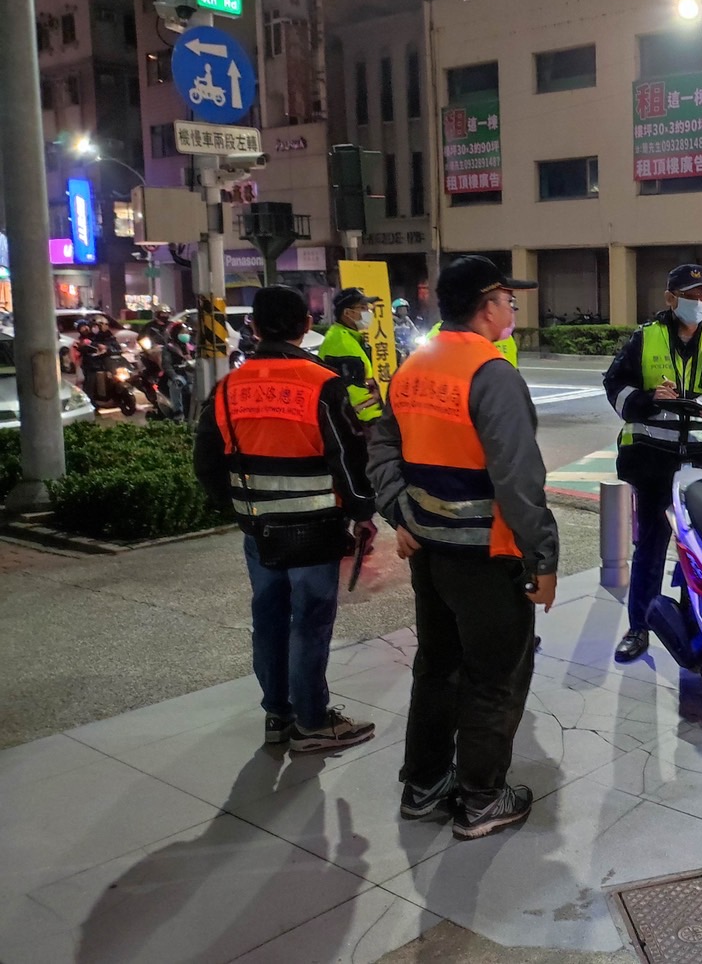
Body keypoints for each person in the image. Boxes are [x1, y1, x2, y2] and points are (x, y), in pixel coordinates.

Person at [368, 256, 559, 839]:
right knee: (494, 677)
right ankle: (481, 799)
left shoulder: (415, 366)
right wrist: (543, 557)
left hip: (430, 553)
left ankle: (424, 786)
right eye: (509, 299)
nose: (513, 308)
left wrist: (399, 511)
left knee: (437, 667)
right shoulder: (492, 373)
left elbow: (381, 447)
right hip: (487, 556)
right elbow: (518, 480)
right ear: (487, 305)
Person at [193, 286, 379, 753]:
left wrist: (238, 503)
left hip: (258, 529)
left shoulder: (228, 387)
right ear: (306, 326)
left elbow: (206, 461)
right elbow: (348, 458)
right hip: (315, 529)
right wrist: (363, 513)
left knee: (269, 617)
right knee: (310, 622)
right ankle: (312, 722)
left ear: (254, 327)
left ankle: (278, 714)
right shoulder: (322, 383)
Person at [602, 263, 702, 663]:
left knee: (700, 554)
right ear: (671, 298)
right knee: (650, 549)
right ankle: (639, 627)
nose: (699, 302)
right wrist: (648, 398)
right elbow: (615, 386)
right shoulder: (645, 338)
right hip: (653, 463)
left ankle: (695, 627)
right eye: (690, 295)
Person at [320, 287, 384, 426]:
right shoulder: (342, 344)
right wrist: (375, 421)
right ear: (348, 313)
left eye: (368, 308)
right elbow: (354, 391)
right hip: (360, 423)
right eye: (362, 308)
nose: (368, 312)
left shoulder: (347, 336)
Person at [391, 297, 421, 363]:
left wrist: (418, 337)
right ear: (395, 310)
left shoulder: (407, 320)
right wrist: (395, 342)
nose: (403, 311)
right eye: (401, 309)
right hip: (396, 347)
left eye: (405, 309)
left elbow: (414, 331)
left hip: (408, 346)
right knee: (402, 356)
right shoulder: (391, 321)